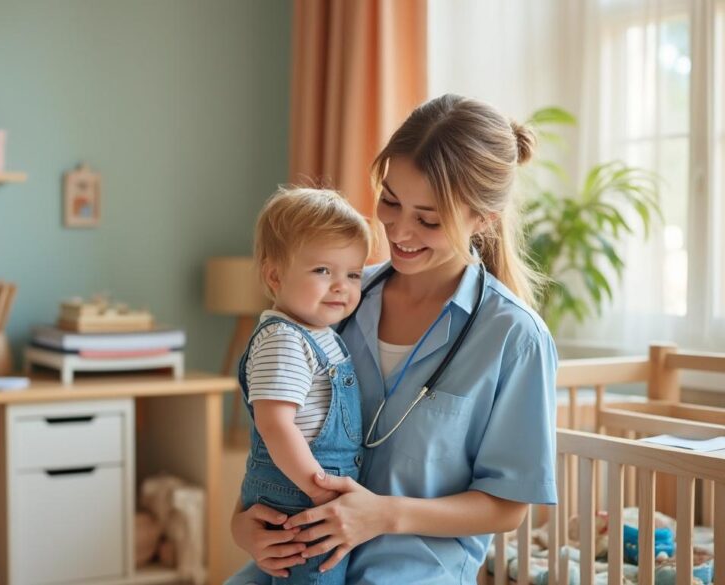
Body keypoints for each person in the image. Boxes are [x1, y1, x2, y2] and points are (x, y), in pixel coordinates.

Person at [227, 94, 559, 584]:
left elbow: (508, 507)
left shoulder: (513, 338)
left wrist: (383, 515)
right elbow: (278, 426)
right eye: (390, 201)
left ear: (483, 219)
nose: (399, 231)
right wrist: (243, 526)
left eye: (427, 219)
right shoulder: (336, 298)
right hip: (299, 564)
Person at [238, 187, 373, 584]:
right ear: (275, 275)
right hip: (300, 498)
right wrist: (319, 492)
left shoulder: (319, 333)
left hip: (308, 492)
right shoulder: (284, 339)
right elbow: (276, 426)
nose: (341, 286)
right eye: (322, 271)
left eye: (353, 274)